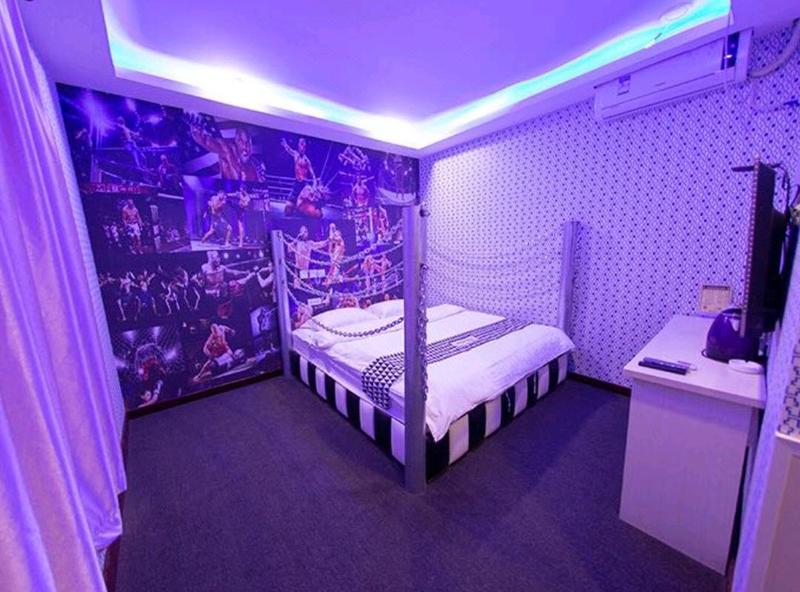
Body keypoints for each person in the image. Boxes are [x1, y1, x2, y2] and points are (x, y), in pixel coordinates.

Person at [190, 121, 266, 182]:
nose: (245, 146)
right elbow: (209, 143)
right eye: (241, 141)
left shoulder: (256, 163)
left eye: (248, 142)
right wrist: (198, 134)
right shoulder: (228, 151)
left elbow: (261, 185)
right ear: (236, 141)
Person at [281, 137, 316, 215]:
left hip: (304, 185)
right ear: (298, 146)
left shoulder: (307, 160)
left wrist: (314, 185)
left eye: (304, 146)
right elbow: (289, 150)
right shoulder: (296, 155)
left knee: (305, 207)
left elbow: (313, 175)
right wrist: (285, 144)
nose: (302, 148)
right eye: (301, 145)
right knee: (287, 210)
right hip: (297, 183)